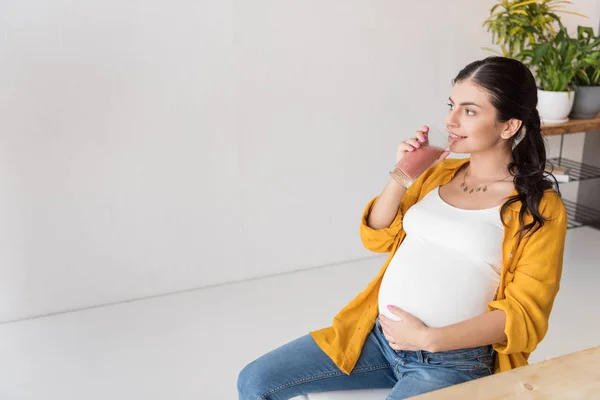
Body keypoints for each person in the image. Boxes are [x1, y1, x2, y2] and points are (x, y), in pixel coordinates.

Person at [237, 56, 568, 400]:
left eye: (470, 111)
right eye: (452, 105)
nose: (450, 120)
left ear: (509, 126)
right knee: (256, 380)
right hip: (376, 338)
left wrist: (428, 339)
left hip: (451, 362)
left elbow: (525, 314)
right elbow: (376, 236)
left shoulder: (538, 207)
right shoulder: (438, 173)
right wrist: (402, 174)